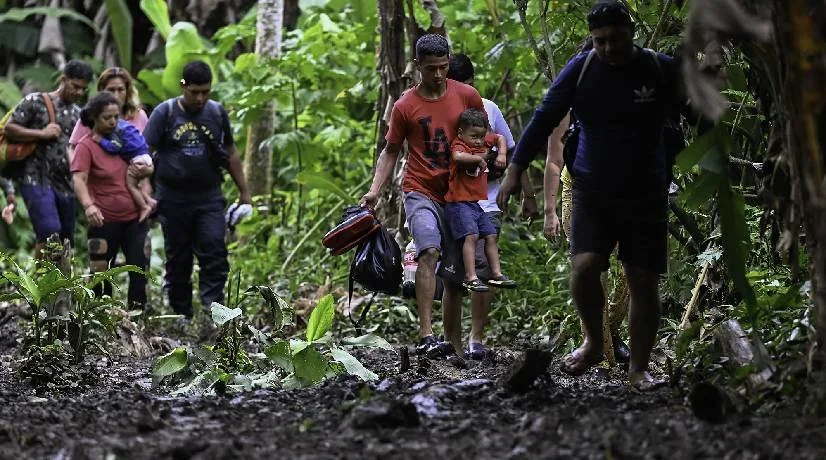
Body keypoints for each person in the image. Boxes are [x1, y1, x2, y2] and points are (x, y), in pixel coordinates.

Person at [499, 1, 684, 390]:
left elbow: (698, 109)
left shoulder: (657, 67)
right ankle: (594, 341)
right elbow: (545, 116)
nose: (609, 48)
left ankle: (638, 369)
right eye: (600, 41)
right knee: (584, 267)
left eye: (616, 39)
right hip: (591, 188)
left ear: (630, 33)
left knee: (642, 280)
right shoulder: (582, 69)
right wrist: (515, 170)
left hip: (645, 192)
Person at [360, 34, 485, 357]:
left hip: (458, 194)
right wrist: (375, 191)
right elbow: (390, 151)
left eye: (444, 67)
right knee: (428, 250)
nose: (439, 75)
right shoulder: (405, 106)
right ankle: (426, 333)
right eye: (431, 69)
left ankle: (453, 346)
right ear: (418, 67)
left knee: (455, 275)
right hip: (419, 189)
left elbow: (483, 135)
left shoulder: (467, 96)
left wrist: (493, 160)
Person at [142, 60, 252, 319]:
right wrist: (146, 192)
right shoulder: (165, 113)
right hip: (173, 197)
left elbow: (231, 152)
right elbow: (144, 155)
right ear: (183, 86)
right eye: (194, 92)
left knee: (215, 249)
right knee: (178, 257)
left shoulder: (216, 113)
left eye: (206, 91)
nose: (200, 98)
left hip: (209, 196)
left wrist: (244, 191)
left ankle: (213, 312)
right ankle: (181, 313)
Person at [446, 53, 537, 360]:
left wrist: (528, 194)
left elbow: (512, 153)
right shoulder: (441, 112)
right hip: (454, 201)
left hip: (487, 202)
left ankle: (476, 336)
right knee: (455, 271)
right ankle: (453, 339)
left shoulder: (489, 109)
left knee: (484, 268)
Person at [3, 60, 93, 255]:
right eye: (75, 86)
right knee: (49, 230)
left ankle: (59, 283)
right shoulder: (36, 101)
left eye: (83, 89)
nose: (78, 92)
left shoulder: (80, 115)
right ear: (63, 79)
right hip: (35, 177)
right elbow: (10, 128)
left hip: (66, 183)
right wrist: (41, 134)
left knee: (65, 241)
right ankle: (40, 283)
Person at [71, 92, 149, 308]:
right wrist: (88, 206)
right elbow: (79, 179)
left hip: (135, 218)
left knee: (139, 268)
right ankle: (100, 314)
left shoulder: (124, 138)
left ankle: (137, 317)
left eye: (116, 116)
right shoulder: (86, 146)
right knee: (99, 270)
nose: (113, 122)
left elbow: (142, 161)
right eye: (107, 117)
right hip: (104, 220)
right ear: (95, 118)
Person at [445, 108, 516, 292]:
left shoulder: (483, 139)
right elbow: (457, 156)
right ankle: (471, 277)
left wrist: (501, 154)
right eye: (474, 136)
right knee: (472, 236)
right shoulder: (459, 145)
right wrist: (478, 159)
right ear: (461, 132)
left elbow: (500, 138)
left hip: (476, 204)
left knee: (490, 235)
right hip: (459, 203)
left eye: (481, 136)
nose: (478, 141)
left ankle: (496, 274)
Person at [69, 67, 154, 220]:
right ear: (102, 90)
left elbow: (145, 149)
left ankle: (145, 204)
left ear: (127, 91)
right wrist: (82, 182)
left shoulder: (138, 115)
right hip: (103, 198)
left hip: (135, 192)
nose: (116, 95)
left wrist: (147, 180)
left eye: (120, 89)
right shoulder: (90, 118)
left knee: (140, 241)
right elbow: (74, 150)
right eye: (111, 90)